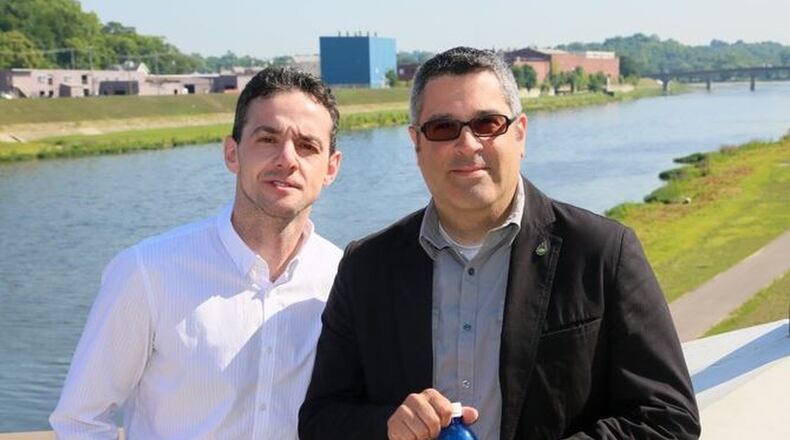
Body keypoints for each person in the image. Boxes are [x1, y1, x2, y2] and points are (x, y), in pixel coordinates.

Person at [299, 47, 700, 440]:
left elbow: (668, 417)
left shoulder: (602, 252)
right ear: (416, 144)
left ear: (520, 133)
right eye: (443, 128)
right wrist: (388, 427)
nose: (468, 144)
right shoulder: (366, 266)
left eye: (488, 124)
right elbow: (320, 420)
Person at [50, 67, 343, 439]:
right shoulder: (148, 272)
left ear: (330, 168)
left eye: (307, 146)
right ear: (232, 153)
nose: (287, 159)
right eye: (267, 139)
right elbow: (80, 420)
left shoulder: (342, 279)